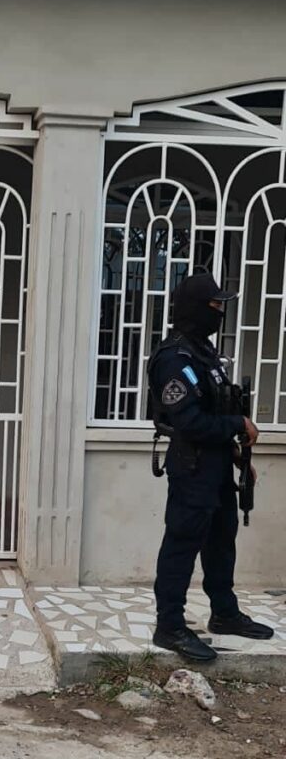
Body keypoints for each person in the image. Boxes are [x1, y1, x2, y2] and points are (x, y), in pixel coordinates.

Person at [148, 271, 274, 661]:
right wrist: (238, 424)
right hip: (191, 467)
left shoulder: (204, 354)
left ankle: (224, 613)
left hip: (216, 467)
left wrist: (238, 456)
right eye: (215, 306)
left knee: (221, 540)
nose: (220, 313)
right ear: (194, 309)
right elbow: (189, 421)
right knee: (182, 542)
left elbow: (215, 409)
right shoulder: (175, 359)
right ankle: (169, 626)